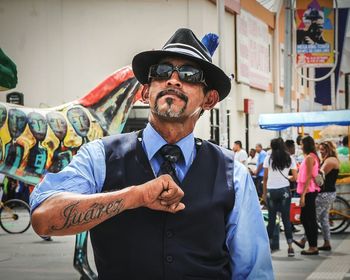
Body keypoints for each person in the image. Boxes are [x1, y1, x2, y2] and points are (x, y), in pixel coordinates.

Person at [30, 28, 273, 279]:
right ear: (146, 93)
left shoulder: (233, 174)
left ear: (209, 100)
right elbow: (43, 218)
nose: (173, 80)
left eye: (190, 75)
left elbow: (253, 272)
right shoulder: (100, 156)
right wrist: (135, 196)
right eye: (162, 72)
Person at [262, 138, 298, 257]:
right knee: (286, 219)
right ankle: (290, 247)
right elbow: (295, 177)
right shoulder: (289, 158)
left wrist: (264, 192)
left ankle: (267, 247)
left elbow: (265, 178)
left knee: (271, 220)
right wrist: (287, 178)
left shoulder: (268, 158)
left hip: (271, 191)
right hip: (284, 191)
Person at [293, 136, 320, 255]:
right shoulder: (312, 157)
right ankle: (309, 243)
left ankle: (313, 246)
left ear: (306, 145)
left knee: (308, 219)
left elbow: (309, 176)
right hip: (309, 190)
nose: (301, 146)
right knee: (308, 218)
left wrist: (303, 195)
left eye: (302, 144)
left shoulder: (309, 158)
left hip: (309, 191)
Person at [316, 141, 339, 251]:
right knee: (324, 219)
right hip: (329, 193)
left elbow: (319, 178)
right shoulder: (331, 159)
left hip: (325, 193)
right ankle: (327, 242)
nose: (321, 151)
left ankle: (303, 239)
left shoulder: (329, 161)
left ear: (329, 149)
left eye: (323, 149)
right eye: (320, 149)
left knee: (313, 217)